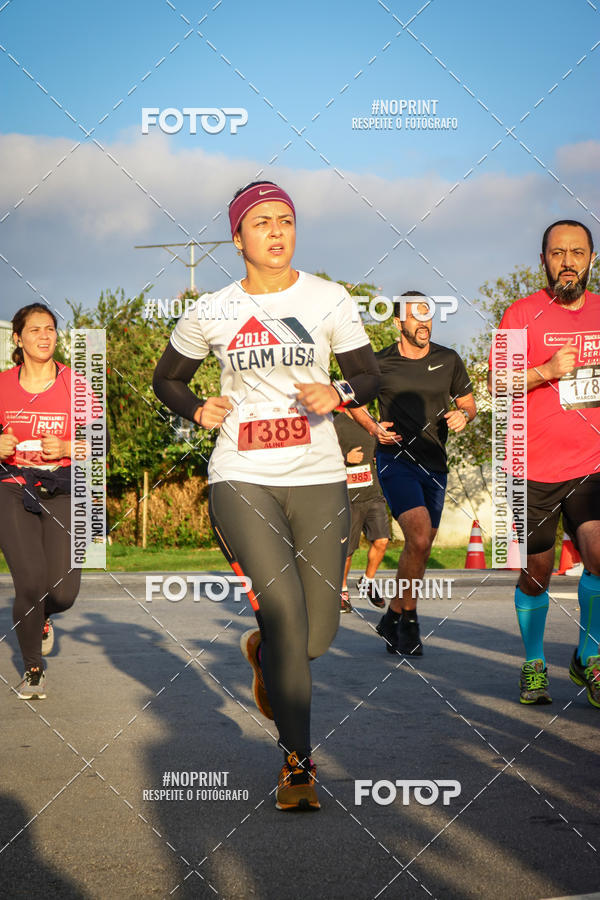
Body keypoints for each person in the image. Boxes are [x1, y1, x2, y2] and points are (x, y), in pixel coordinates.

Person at [153, 180, 379, 810]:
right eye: (261, 222)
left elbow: (367, 372)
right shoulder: (214, 309)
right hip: (241, 474)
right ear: (238, 237)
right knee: (283, 616)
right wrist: (196, 408)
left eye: (286, 219)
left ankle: (263, 654)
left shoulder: (328, 297)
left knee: (315, 638)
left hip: (317, 473)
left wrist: (340, 394)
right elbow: (165, 377)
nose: (277, 231)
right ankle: (298, 765)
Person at [487, 220, 600, 707]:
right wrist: (546, 371)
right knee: (538, 570)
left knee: (599, 553)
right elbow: (496, 384)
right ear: (544, 261)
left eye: (577, 252)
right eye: (558, 253)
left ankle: (589, 655)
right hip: (530, 467)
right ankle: (534, 662)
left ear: (591, 259)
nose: (568, 261)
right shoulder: (522, 313)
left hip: (592, 464)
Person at [350, 291, 476, 655]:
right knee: (418, 537)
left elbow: (467, 402)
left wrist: (463, 415)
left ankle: (392, 615)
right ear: (398, 323)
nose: (424, 323)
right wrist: (374, 428)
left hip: (435, 464)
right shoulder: (378, 365)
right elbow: (352, 402)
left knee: (420, 549)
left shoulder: (448, 359)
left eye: (428, 315)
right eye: (416, 317)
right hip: (395, 462)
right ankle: (409, 622)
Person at [0, 304, 82, 699]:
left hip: (64, 486)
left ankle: (44, 617)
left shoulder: (75, 384)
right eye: (35, 330)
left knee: (63, 592)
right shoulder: (1, 385)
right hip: (11, 486)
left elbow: (101, 444)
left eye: (50, 329)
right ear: (18, 338)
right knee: (30, 582)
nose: (45, 336)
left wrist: (66, 445)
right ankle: (33, 669)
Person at [333, 407, 390, 612]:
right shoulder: (336, 424)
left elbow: (379, 452)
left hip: (372, 493)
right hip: (348, 497)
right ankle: (342, 590)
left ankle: (367, 581)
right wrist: (345, 458)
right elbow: (321, 457)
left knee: (382, 541)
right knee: (347, 551)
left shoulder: (371, 421)